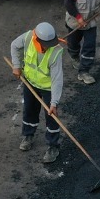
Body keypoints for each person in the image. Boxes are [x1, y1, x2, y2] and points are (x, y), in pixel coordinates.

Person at [10, 22, 64, 165]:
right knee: (29, 110)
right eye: (46, 44)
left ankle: (53, 147)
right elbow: (14, 46)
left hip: (48, 88)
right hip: (30, 83)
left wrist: (54, 103)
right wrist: (16, 65)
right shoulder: (28, 37)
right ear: (37, 39)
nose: (49, 47)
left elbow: (57, 80)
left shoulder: (55, 52)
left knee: (52, 117)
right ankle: (28, 135)